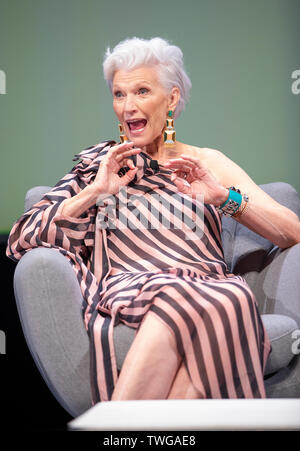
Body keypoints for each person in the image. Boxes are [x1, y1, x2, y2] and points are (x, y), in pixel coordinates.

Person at [6, 37, 300, 404]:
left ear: (172, 99)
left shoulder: (206, 162)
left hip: (210, 286)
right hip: (134, 287)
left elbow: (291, 230)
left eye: (141, 91)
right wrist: (94, 193)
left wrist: (223, 198)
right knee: (190, 299)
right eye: (118, 94)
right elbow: (22, 239)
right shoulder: (101, 166)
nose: (128, 107)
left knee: (227, 296)